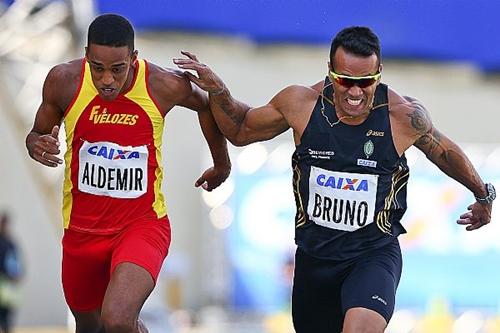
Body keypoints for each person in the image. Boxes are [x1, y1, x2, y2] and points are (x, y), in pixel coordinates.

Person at [173, 26, 495, 332]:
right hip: (315, 258)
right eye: (345, 81)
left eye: (366, 82)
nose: (355, 92)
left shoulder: (402, 116)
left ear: (379, 72)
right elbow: (241, 130)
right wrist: (218, 89)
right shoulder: (300, 104)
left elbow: (443, 152)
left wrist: (483, 195)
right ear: (330, 70)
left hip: (372, 254)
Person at [25, 14, 231, 333]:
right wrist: (38, 144)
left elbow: (206, 104)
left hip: (141, 225)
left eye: (117, 69)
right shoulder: (63, 81)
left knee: (118, 320)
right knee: (89, 327)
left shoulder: (162, 84)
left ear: (133, 59)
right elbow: (36, 133)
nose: (107, 79)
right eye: (98, 68)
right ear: (86, 55)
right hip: (83, 231)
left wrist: (222, 164)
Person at [0, 212, 23, 333]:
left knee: (8, 314)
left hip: (9, 286)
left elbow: (17, 261)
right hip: (2, 282)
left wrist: (18, 275)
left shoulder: (11, 243)